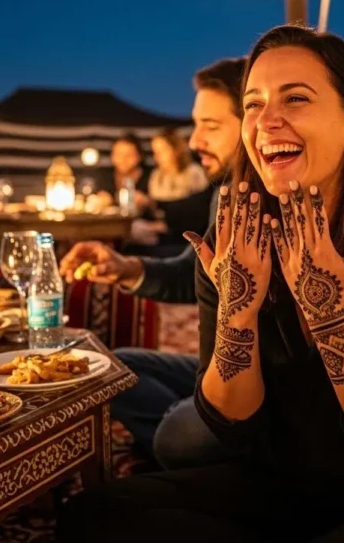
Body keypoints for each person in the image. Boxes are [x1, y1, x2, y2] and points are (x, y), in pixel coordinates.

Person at [57, 26, 344, 542]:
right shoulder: (234, 235)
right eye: (252, 104)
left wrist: (327, 315)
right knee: (96, 515)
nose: (266, 121)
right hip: (289, 482)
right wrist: (238, 311)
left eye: (296, 98)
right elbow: (232, 423)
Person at [58, 57, 246, 471]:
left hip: (254, 390)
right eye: (196, 125)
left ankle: (220, 459)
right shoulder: (225, 193)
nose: (195, 142)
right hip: (209, 371)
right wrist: (126, 267)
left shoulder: (275, 202)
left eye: (211, 126)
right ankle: (197, 437)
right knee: (110, 367)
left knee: (173, 438)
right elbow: (190, 274)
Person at [148, 127, 210, 202]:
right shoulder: (156, 176)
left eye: (162, 150)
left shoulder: (194, 173)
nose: (157, 156)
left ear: (176, 150)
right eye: (155, 152)